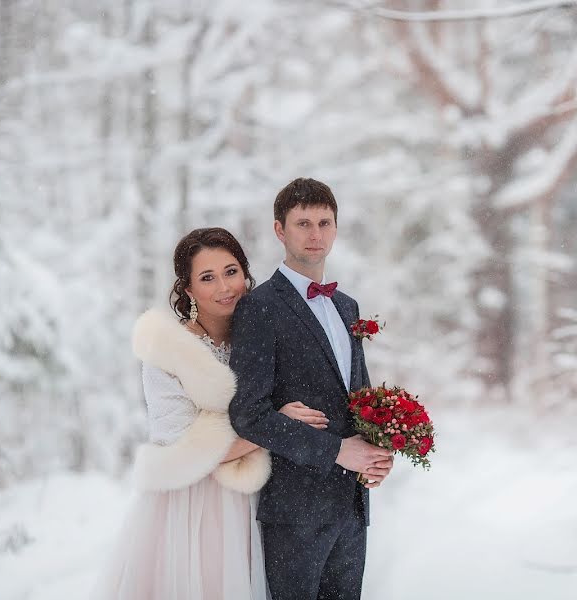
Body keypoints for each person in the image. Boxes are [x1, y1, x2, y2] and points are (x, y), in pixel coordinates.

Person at [91, 227, 328, 600]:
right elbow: (184, 451)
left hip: (258, 499)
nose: (224, 287)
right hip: (192, 509)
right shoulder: (168, 353)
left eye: (231, 271)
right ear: (188, 290)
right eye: (207, 277)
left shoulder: (263, 338)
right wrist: (276, 427)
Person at [229, 178, 395, 600]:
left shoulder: (347, 307)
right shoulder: (259, 307)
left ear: (337, 228)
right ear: (279, 230)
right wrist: (337, 451)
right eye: (303, 223)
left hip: (352, 507)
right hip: (295, 510)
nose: (315, 234)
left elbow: (360, 400)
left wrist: (376, 454)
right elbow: (249, 414)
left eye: (325, 222)